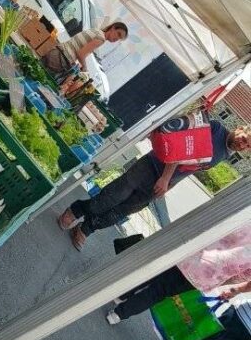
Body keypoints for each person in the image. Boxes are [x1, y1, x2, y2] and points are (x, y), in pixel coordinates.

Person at [58, 123, 251, 250]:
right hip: (152, 165)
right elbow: (181, 147)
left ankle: (86, 229)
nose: (242, 145)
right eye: (244, 139)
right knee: (113, 197)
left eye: (247, 146)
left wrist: (169, 186)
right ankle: (76, 210)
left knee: (121, 211)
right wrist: (166, 177)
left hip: (162, 184)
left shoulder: (226, 154)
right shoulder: (215, 129)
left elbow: (190, 169)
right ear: (241, 128)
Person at [105, 222, 251, 323]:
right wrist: (221, 280)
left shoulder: (245, 220)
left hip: (192, 254)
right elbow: (244, 276)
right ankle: (118, 314)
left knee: (153, 274)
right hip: (206, 276)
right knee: (159, 292)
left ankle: (121, 295)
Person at [44, 22, 128, 74]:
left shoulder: (96, 30)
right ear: (113, 28)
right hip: (60, 60)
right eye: (118, 34)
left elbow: (78, 48)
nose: (117, 38)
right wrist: (85, 68)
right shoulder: (101, 39)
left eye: (120, 38)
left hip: (56, 52)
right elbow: (81, 54)